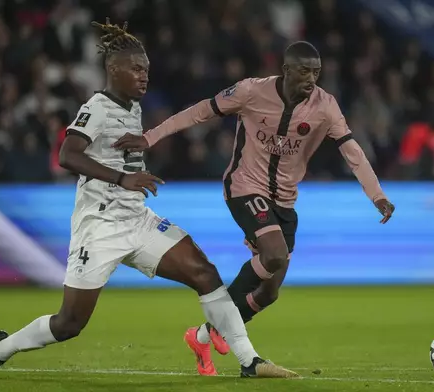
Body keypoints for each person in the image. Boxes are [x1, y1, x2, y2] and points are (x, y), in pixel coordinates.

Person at [0, 19, 297, 380]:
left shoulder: (131, 107)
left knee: (205, 273)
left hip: (138, 220)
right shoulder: (97, 106)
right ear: (113, 69)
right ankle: (0, 348)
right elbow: (68, 154)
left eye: (147, 70)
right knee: (70, 323)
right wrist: (123, 178)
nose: (144, 76)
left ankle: (250, 361)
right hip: (99, 226)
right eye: (137, 69)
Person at [113, 41, 395, 375]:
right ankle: (237, 348)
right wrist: (150, 137)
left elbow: (352, 150)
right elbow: (199, 111)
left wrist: (376, 194)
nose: (312, 79)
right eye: (304, 70)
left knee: (269, 292)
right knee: (274, 254)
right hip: (244, 187)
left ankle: (204, 334)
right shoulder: (250, 91)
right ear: (286, 69)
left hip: (286, 201)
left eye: (317, 72)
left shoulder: (325, 106)